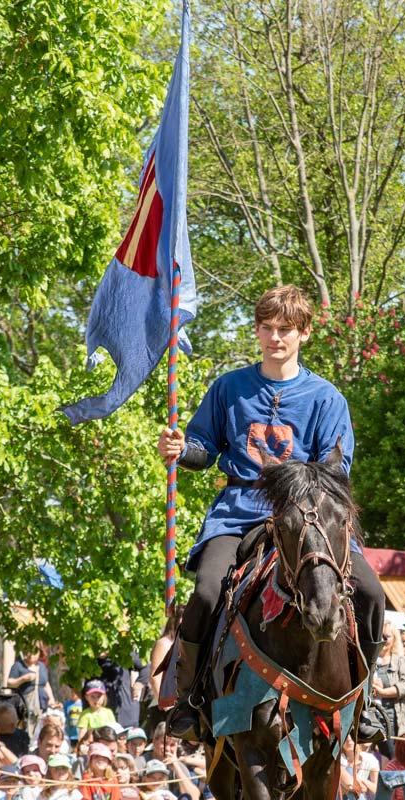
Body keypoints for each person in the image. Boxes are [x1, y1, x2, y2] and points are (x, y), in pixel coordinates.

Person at [157, 284, 386, 743]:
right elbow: (204, 447)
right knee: (206, 592)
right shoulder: (229, 388)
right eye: (267, 328)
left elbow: (334, 470)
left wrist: (298, 498)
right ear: (257, 331)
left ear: (304, 333)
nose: (275, 337)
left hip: (307, 518)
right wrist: (182, 450)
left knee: (370, 592)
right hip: (238, 512)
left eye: (285, 329)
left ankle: (365, 698)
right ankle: (188, 699)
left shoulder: (326, 398)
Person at [369, 622, 405, 745]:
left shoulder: (401, 661)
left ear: (394, 639)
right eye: (380, 636)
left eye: (387, 636)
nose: (382, 640)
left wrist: (382, 692)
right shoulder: (368, 660)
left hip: (391, 717)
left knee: (391, 753)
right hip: (370, 716)